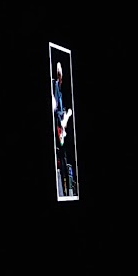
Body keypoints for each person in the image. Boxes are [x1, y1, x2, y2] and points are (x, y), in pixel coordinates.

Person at [53, 62, 76, 196]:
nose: (60, 74)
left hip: (61, 126)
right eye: (59, 71)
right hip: (59, 123)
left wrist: (66, 116)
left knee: (64, 159)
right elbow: (56, 110)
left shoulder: (60, 91)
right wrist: (66, 115)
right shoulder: (55, 86)